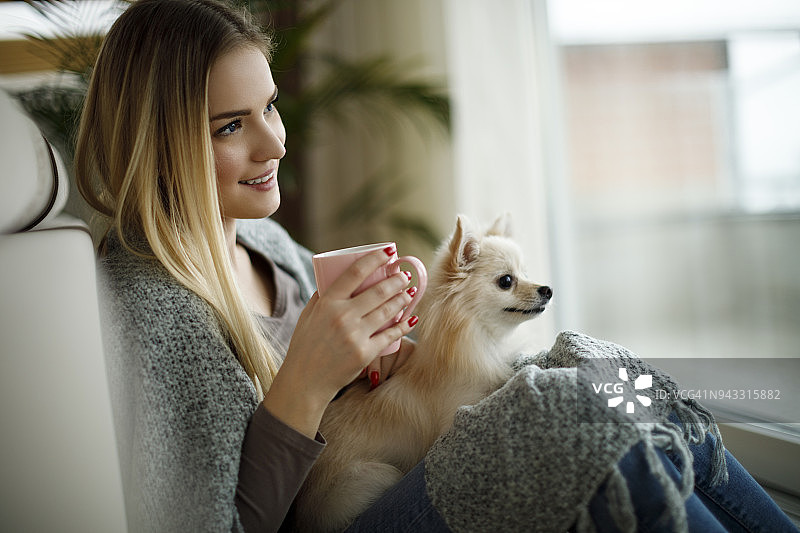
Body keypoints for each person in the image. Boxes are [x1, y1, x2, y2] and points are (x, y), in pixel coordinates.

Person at [75, 1, 799, 532]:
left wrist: (388, 347)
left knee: (595, 372)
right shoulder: (152, 303)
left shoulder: (265, 248)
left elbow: (373, 393)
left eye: (270, 106)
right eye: (231, 126)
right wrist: (303, 384)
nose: (276, 143)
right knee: (557, 418)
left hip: (394, 470)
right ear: (161, 144)